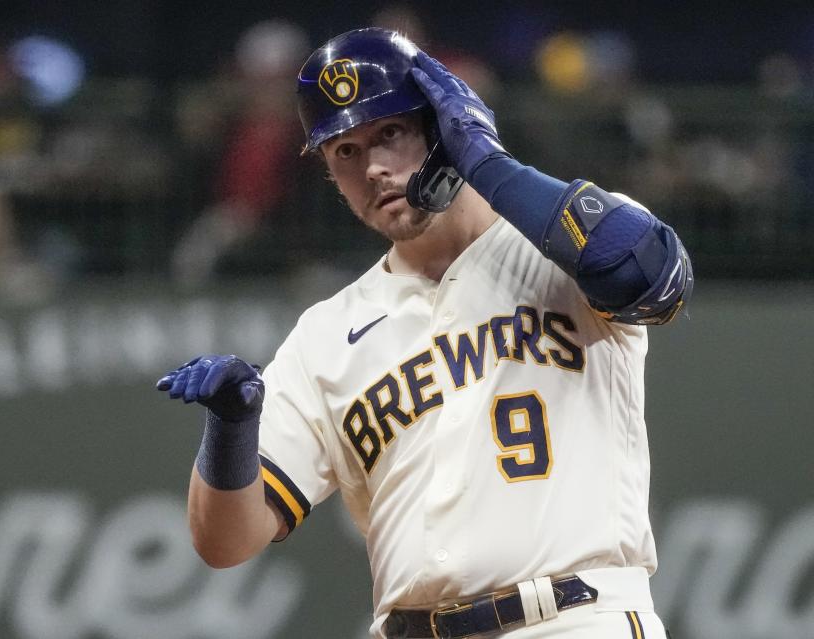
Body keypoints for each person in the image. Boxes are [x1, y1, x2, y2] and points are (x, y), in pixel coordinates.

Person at [157, 28, 691, 639]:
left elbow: (650, 275)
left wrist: (488, 164)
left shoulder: (561, 250)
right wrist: (230, 431)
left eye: (391, 133)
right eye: (346, 151)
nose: (376, 168)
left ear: (444, 125)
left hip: (573, 619)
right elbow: (224, 542)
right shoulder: (327, 334)